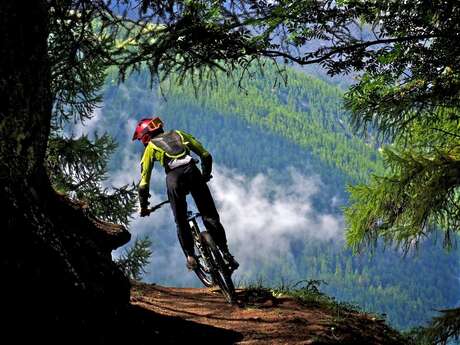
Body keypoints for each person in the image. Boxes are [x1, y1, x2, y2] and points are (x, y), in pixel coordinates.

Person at [132, 116, 239, 272]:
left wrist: (144, 207)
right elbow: (206, 155)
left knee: (181, 220)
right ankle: (226, 254)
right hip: (193, 172)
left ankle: (190, 256)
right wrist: (205, 174)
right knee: (209, 215)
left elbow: (143, 184)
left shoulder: (150, 148)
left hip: (174, 180)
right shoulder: (179, 134)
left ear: (146, 136)